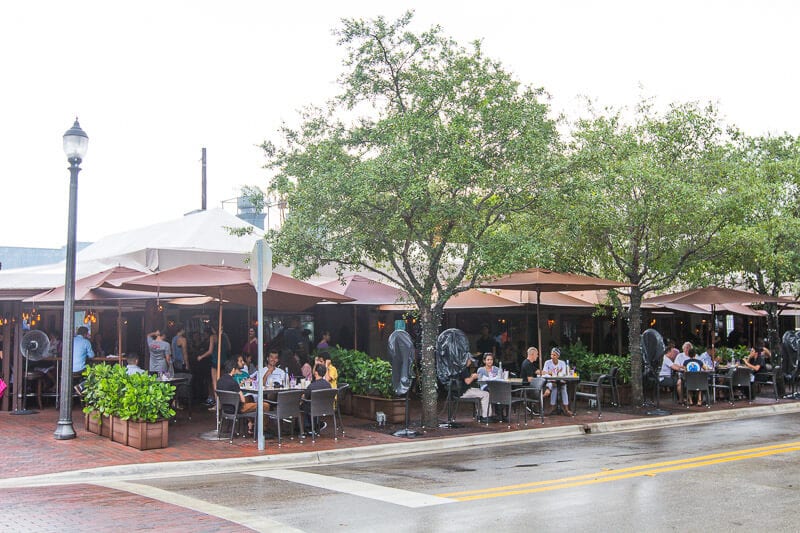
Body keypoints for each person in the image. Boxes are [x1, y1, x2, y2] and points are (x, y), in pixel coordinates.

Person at [216, 359, 269, 435]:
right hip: (238, 408)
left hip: (226, 408)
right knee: (265, 405)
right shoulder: (233, 382)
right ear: (233, 369)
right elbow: (243, 400)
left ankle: (253, 425)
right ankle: (263, 431)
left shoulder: (219, 381)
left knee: (253, 404)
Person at [456, 355, 491, 423]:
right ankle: (486, 416)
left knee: (481, 391)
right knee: (486, 394)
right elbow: (468, 382)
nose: (470, 361)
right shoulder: (464, 369)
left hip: (461, 390)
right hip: (464, 391)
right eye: (469, 360)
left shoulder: (459, 368)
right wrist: (473, 377)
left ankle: (479, 414)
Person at [302, 363, 332, 435]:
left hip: (313, 408)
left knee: (303, 405)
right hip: (326, 408)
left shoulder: (312, 386)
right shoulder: (328, 385)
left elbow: (305, 397)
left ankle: (307, 428)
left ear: (315, 373)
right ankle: (316, 425)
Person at [542, 347, 573, 416]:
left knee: (563, 388)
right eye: (551, 355)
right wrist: (550, 374)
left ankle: (566, 408)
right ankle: (552, 407)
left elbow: (563, 373)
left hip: (560, 381)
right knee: (554, 387)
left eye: (554, 355)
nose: (552, 356)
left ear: (558, 356)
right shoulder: (547, 362)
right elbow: (544, 372)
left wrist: (556, 373)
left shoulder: (562, 363)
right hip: (550, 381)